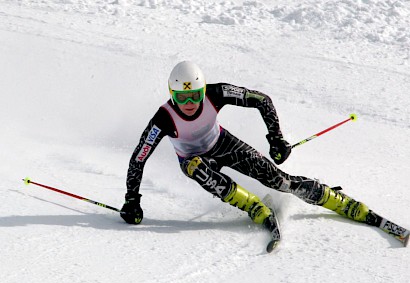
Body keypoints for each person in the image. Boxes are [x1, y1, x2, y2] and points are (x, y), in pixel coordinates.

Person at [120, 60, 381, 238]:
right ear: (171, 94)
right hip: (193, 159)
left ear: (203, 90)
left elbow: (261, 100)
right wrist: (132, 200)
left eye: (195, 96)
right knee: (198, 168)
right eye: (181, 97)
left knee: (279, 180)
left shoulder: (217, 93)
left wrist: (276, 139)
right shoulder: (163, 118)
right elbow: (138, 158)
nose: (189, 103)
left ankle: (342, 204)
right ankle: (255, 208)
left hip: (222, 143)